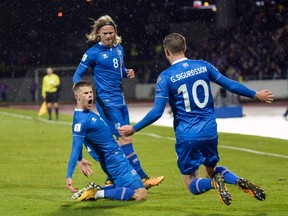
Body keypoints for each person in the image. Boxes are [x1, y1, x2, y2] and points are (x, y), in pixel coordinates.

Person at [119, 33, 274, 205]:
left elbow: (157, 112)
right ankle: (237, 181)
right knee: (212, 169)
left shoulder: (166, 76)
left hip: (187, 135)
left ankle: (215, 183)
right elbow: (229, 84)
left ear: (166, 52)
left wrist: (134, 128)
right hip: (209, 132)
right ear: (185, 48)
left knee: (192, 183)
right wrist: (255, 95)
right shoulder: (203, 66)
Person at [72, 15, 164, 188]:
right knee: (124, 137)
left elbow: (119, 69)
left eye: (111, 33)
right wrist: (82, 93)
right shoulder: (92, 53)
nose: (109, 36)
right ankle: (142, 178)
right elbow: (77, 75)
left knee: (120, 139)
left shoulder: (119, 48)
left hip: (120, 99)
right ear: (98, 33)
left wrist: (126, 72)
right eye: (105, 33)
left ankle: (112, 178)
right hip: (107, 101)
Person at [66, 80, 147, 201]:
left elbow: (81, 139)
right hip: (115, 161)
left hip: (115, 158)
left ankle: (95, 191)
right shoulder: (82, 120)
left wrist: (80, 159)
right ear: (77, 96)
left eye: (91, 92)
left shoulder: (83, 113)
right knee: (141, 195)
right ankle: (95, 193)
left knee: (123, 188)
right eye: (85, 93)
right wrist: (69, 175)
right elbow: (75, 147)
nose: (90, 95)